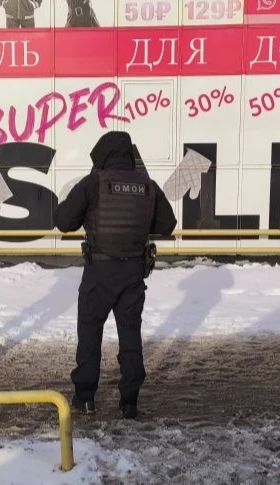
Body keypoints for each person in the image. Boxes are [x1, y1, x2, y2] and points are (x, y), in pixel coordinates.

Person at [55, 131, 177, 419]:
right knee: (130, 336)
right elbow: (167, 224)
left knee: (90, 333)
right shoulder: (147, 185)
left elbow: (63, 221)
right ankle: (129, 401)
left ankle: (86, 398)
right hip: (133, 273)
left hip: (99, 272)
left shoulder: (94, 183)